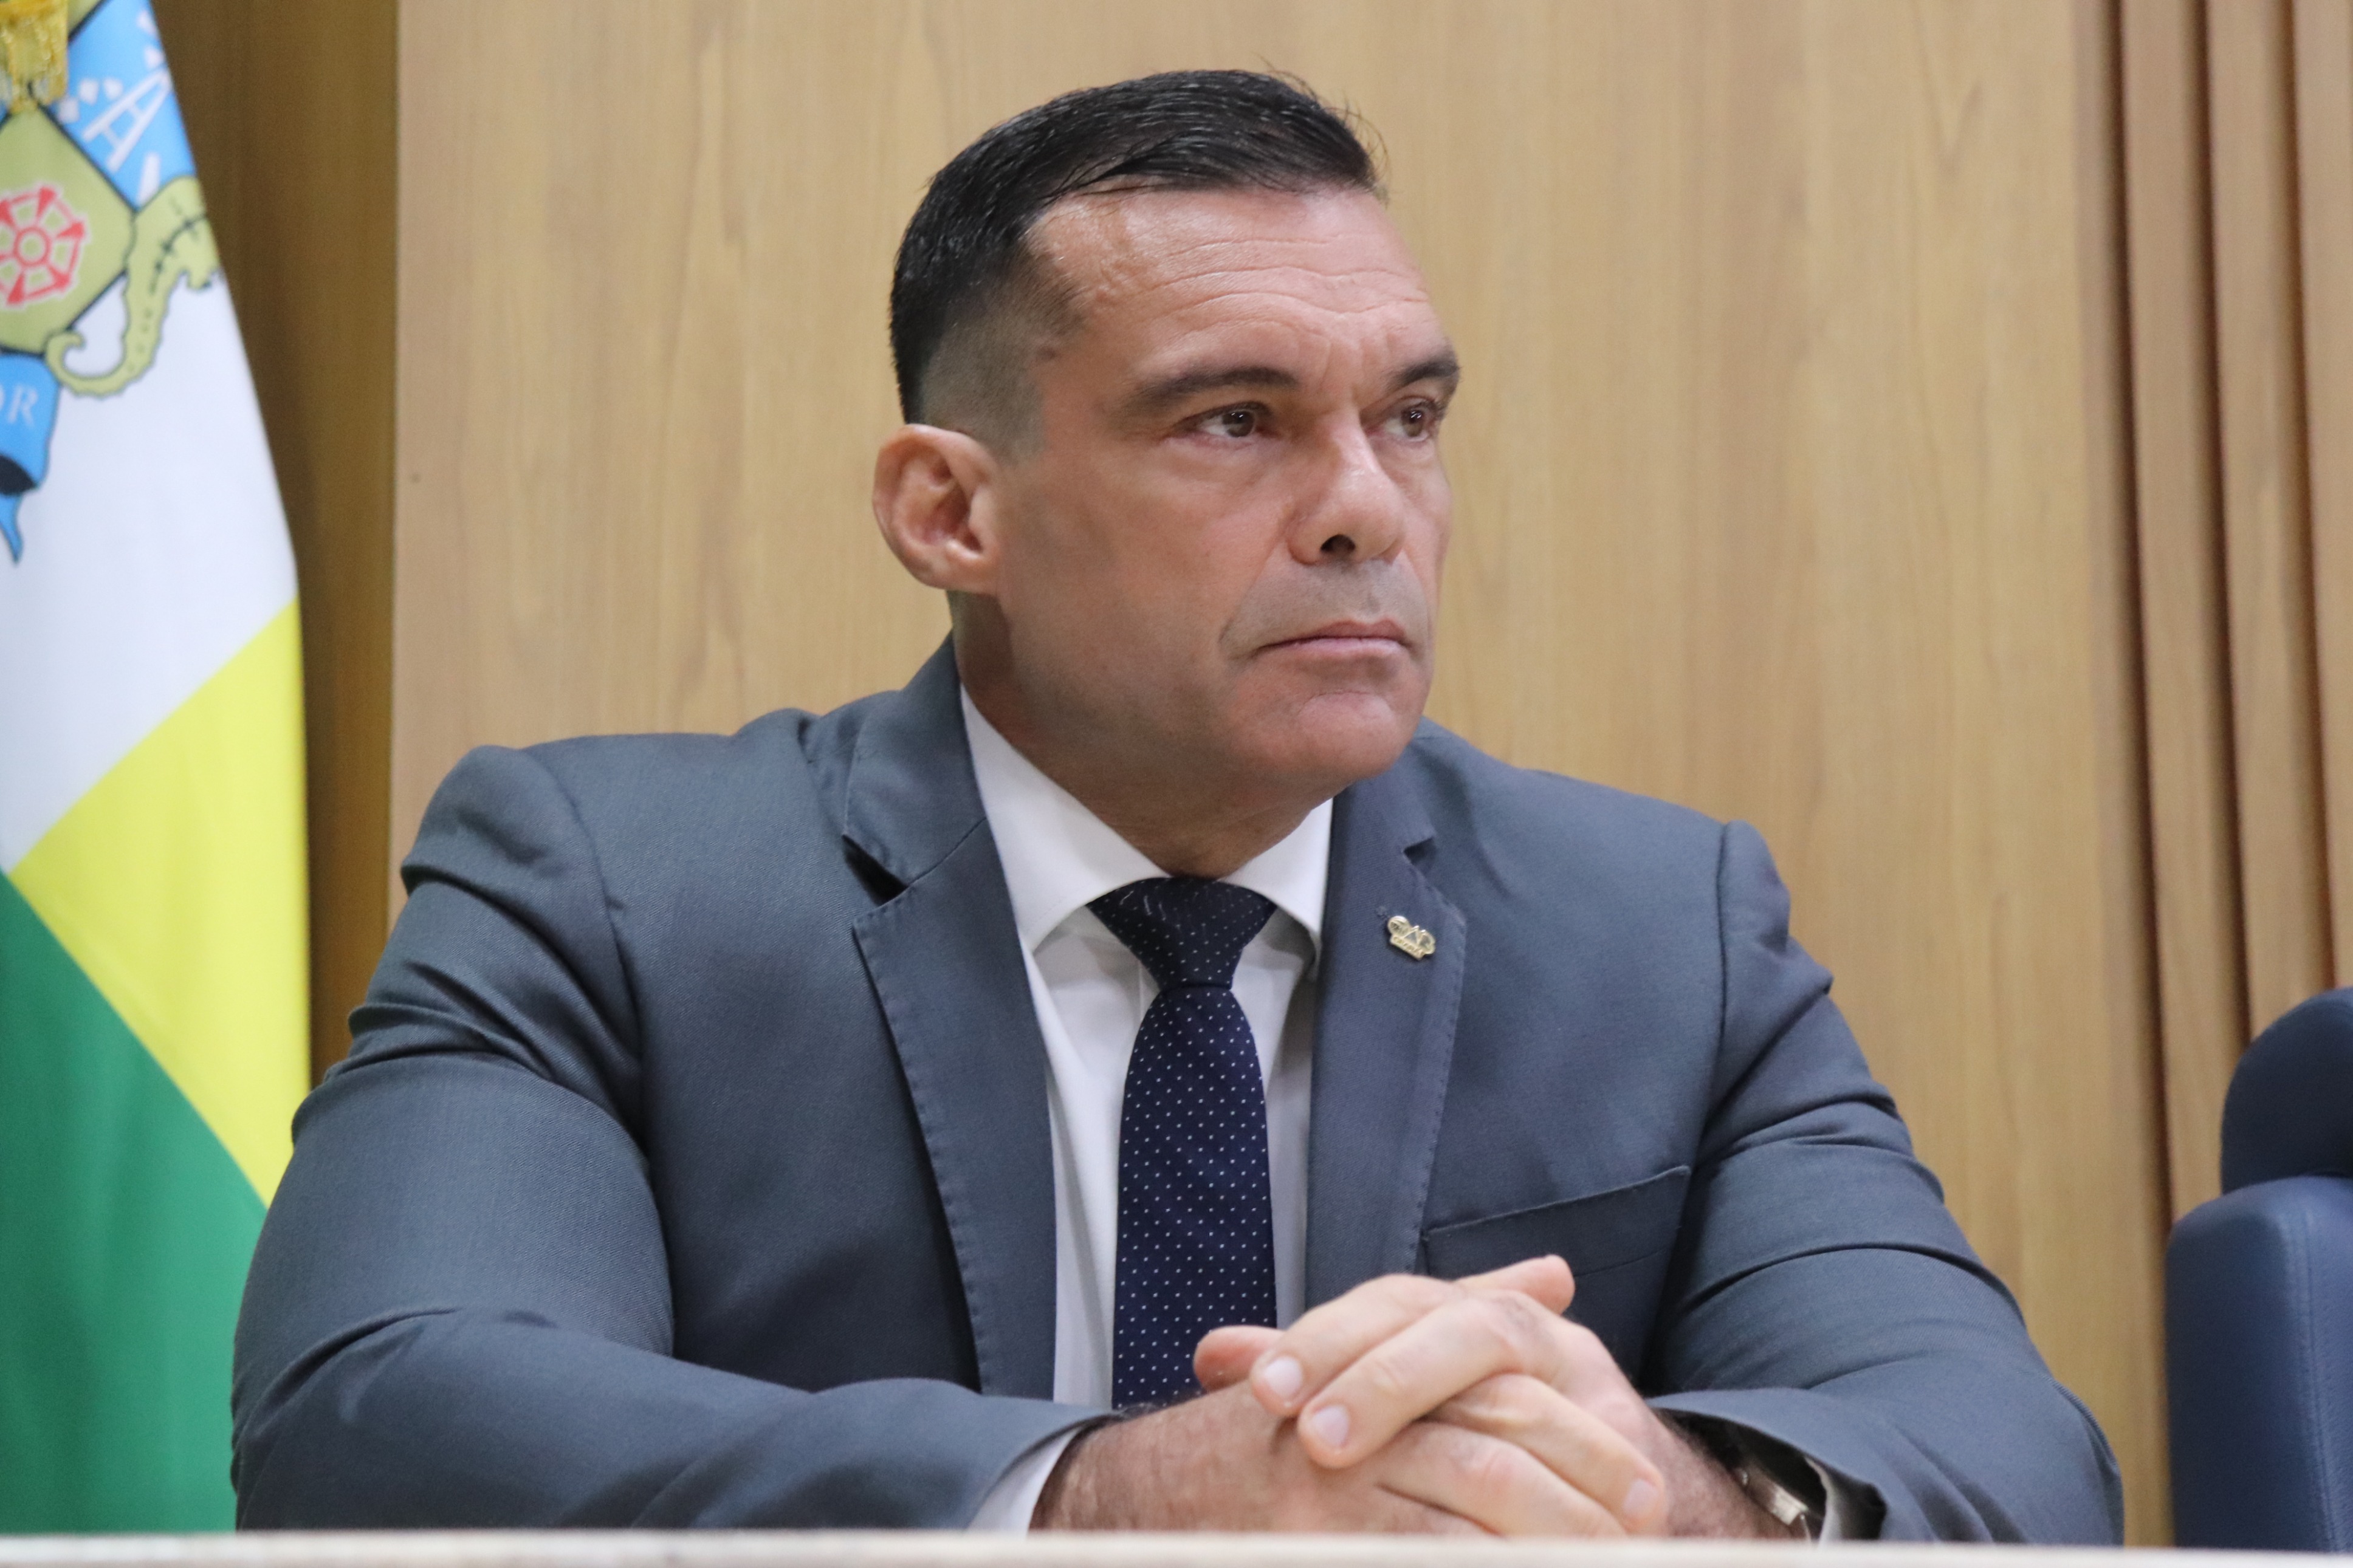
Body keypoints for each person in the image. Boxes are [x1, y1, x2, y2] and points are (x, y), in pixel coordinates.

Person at [232, 70, 2121, 1541]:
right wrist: (1114, 1498)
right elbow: (373, 1408)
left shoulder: (1657, 928)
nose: (1368, 507)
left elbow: (2011, 1458)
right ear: (950, 513)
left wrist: (1654, 1492)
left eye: (1412, 418)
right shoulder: (614, 888)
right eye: (1237, 421)